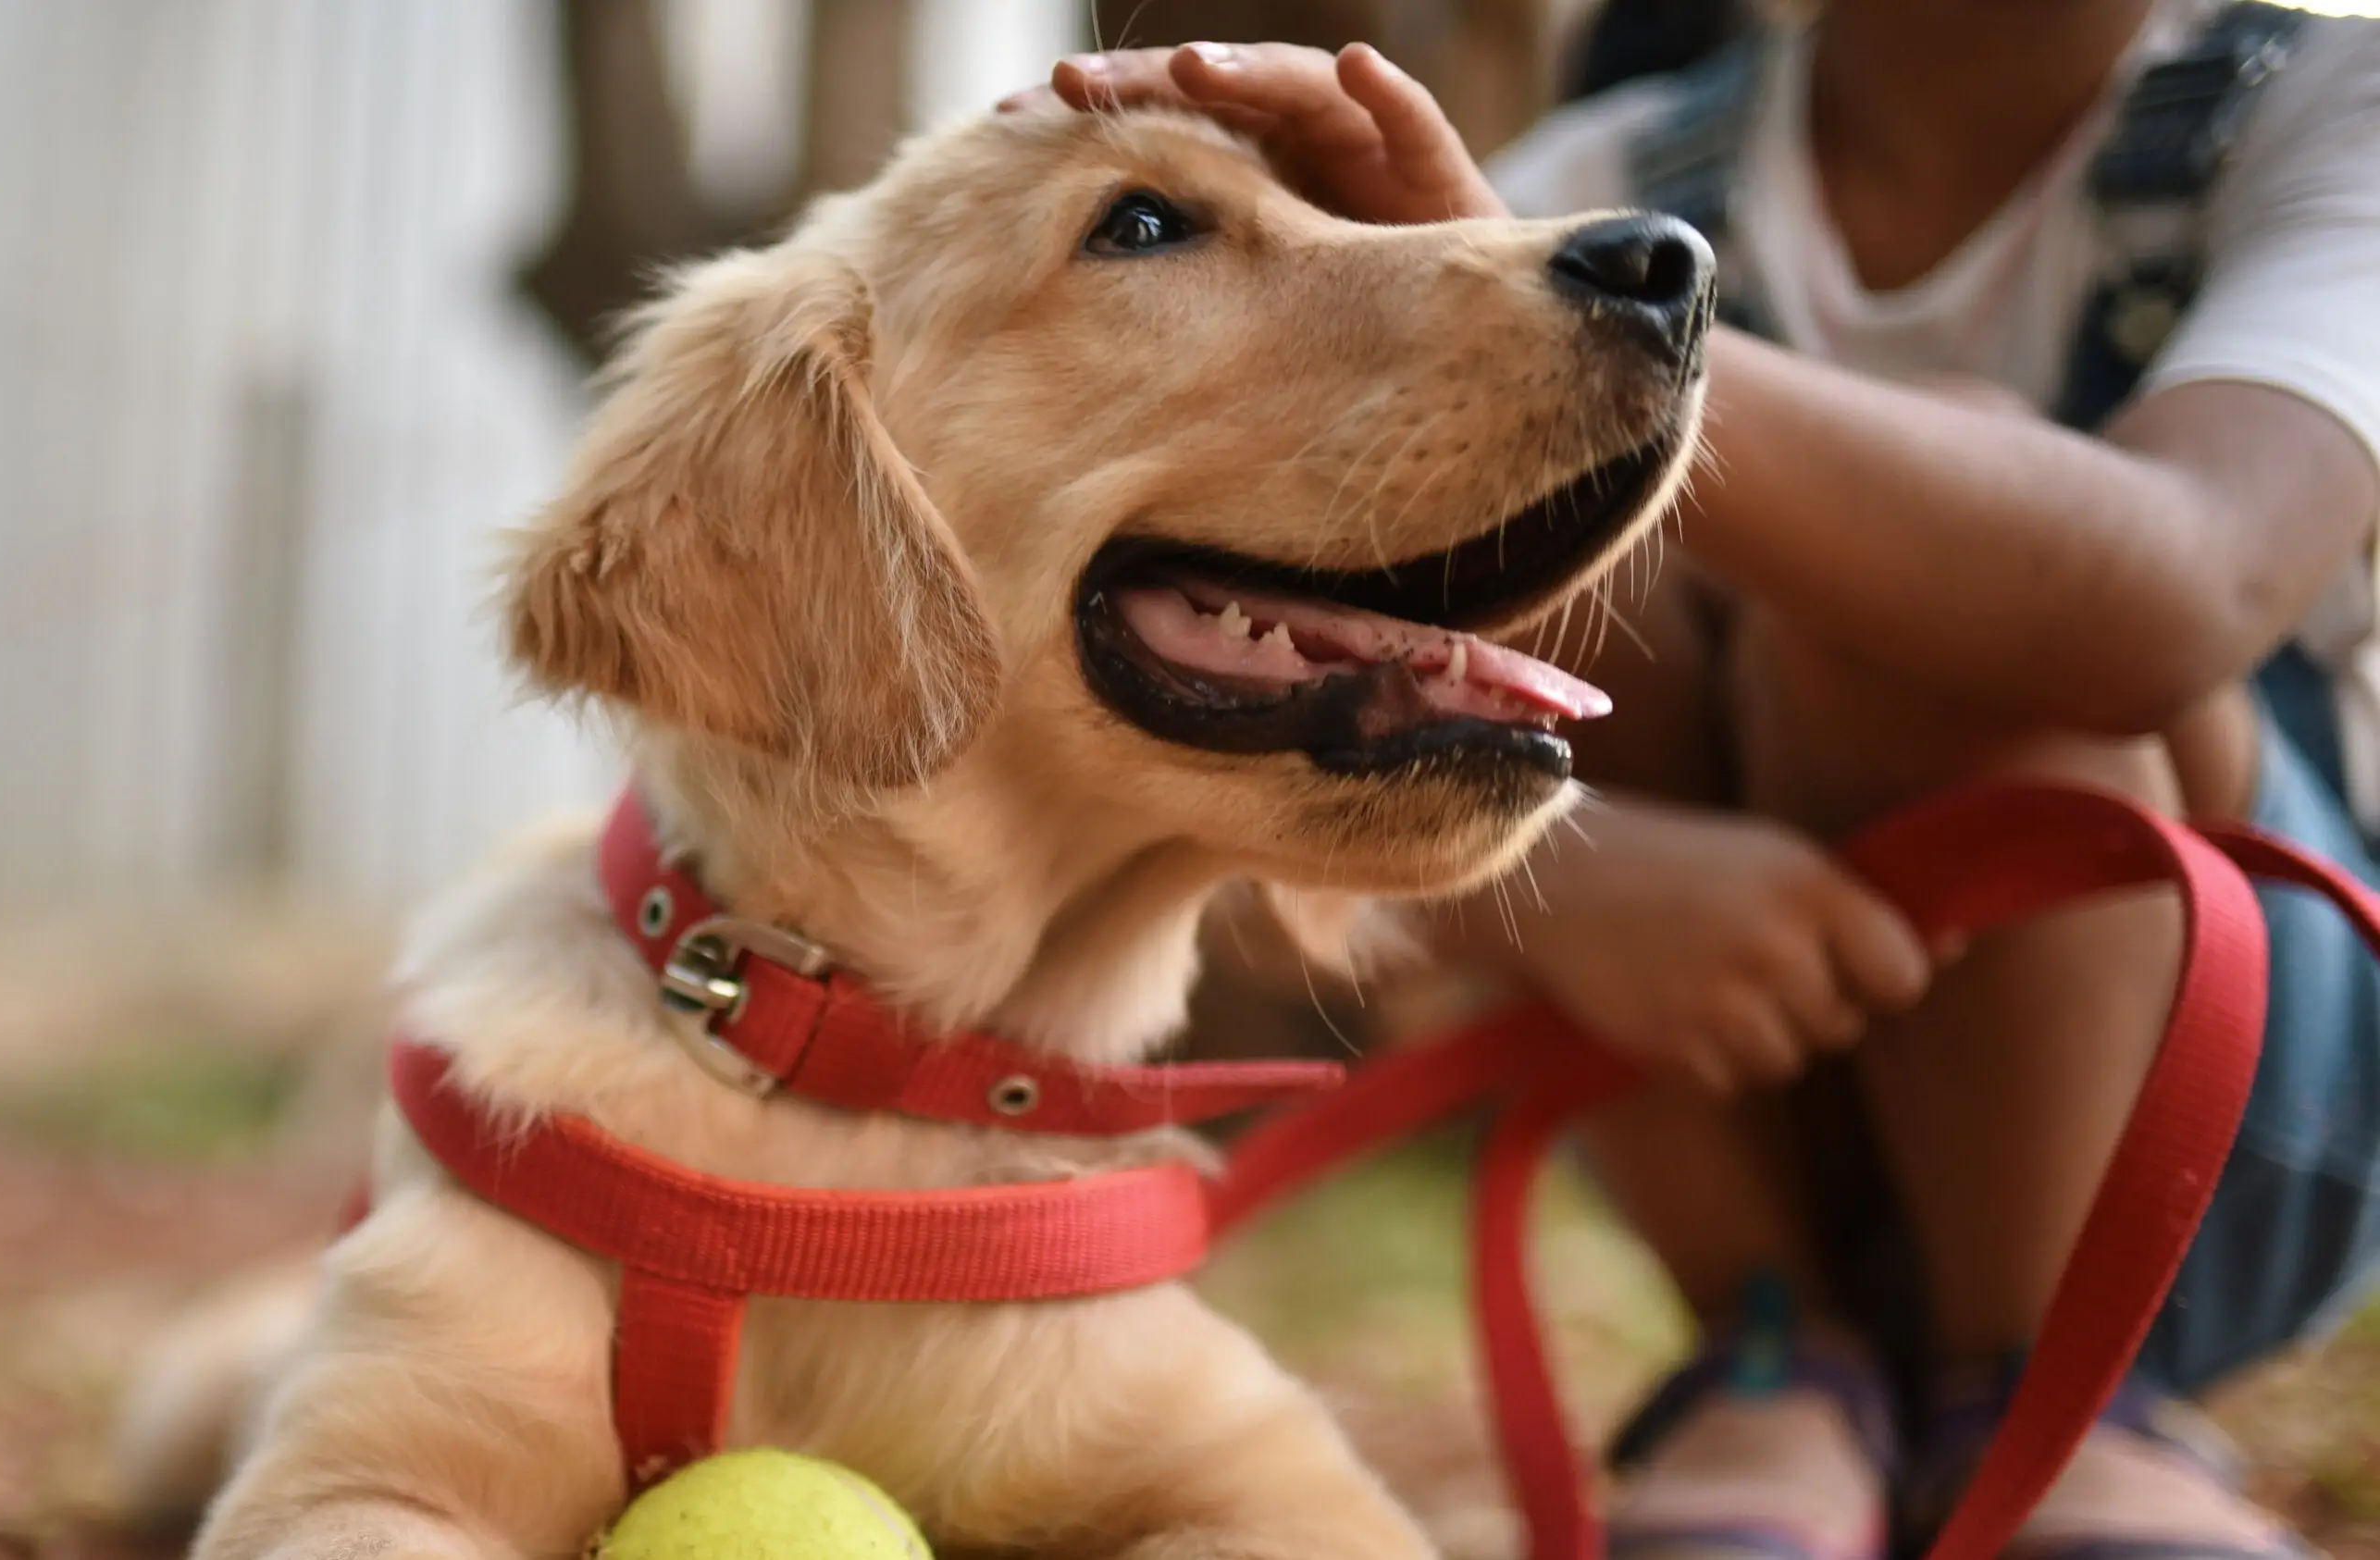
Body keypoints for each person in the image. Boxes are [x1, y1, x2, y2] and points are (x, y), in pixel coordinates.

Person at [1001, 6, 2380, 1558]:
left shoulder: (2334, 110)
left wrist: (1562, 312)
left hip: (2233, 1111)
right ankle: (1773, 1353)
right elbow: (1255, 729)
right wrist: (1578, 872)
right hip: (1745, 1097)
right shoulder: (1611, 160)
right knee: (1530, 526)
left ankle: (2053, 1392)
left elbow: (2173, 587)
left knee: (1898, 529)